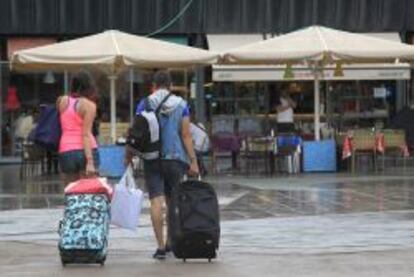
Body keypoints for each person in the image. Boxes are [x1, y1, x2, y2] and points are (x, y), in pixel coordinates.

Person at [126, 70, 199, 260]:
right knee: (172, 200)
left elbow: (136, 131)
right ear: (170, 85)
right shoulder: (181, 104)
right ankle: (170, 243)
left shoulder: (145, 103)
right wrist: (193, 161)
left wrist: (129, 156)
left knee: (156, 201)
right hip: (175, 158)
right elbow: (186, 135)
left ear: (154, 85)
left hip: (152, 158)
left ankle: (159, 247)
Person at [57, 70, 100, 186]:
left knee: (71, 192)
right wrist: (90, 161)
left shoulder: (61, 101)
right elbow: (85, 134)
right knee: (89, 192)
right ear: (89, 85)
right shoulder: (90, 106)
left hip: (66, 149)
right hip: (86, 150)